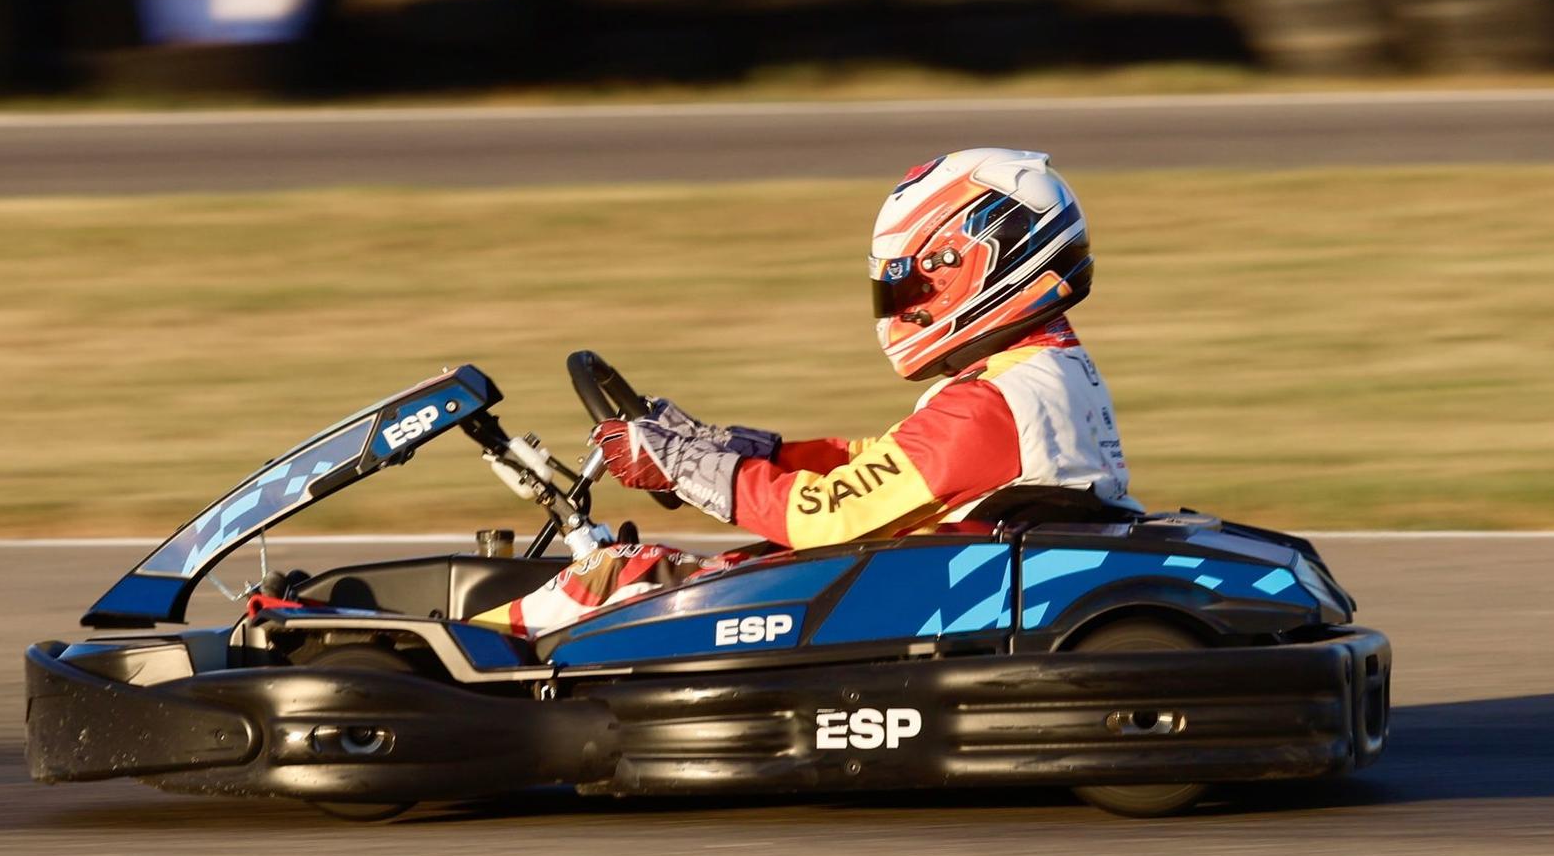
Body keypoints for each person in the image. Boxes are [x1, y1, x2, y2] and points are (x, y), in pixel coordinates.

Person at [474, 148, 1137, 640]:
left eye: (907, 288)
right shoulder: (1035, 373)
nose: (900, 308)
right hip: (933, 586)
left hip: (901, 615)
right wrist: (727, 446)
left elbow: (827, 516)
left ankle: (462, 663)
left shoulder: (989, 406)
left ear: (977, 264)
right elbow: (877, 463)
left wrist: (686, 465)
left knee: (625, 578)